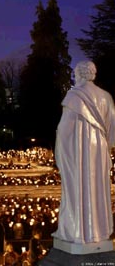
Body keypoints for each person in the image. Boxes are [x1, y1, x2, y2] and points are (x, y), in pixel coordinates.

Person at [53, 60, 115, 244]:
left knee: (78, 186)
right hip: (100, 150)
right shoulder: (107, 97)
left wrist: (60, 150)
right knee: (97, 188)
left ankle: (78, 232)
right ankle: (99, 231)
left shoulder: (74, 96)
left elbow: (65, 129)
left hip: (80, 151)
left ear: (79, 74)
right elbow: (113, 133)